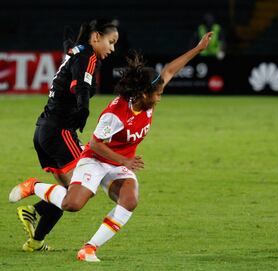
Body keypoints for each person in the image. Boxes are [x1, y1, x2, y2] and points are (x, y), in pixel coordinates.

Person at [9, 31, 213, 262]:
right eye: (156, 95)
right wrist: (124, 160)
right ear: (142, 94)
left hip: (117, 164)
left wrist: (198, 49)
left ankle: (89, 248)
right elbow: (95, 144)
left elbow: (168, 70)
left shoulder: (147, 98)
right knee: (72, 204)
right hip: (96, 160)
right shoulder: (115, 115)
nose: (159, 99)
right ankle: (33, 186)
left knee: (130, 200)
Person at [14, 19, 119, 252]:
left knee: (68, 196)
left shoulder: (76, 52)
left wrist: (68, 43)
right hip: (61, 132)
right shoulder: (88, 56)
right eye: (110, 42)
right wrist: (84, 108)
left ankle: (36, 241)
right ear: (96, 38)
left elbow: (73, 72)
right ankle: (33, 200)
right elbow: (81, 84)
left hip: (44, 130)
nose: (112, 48)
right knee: (82, 190)